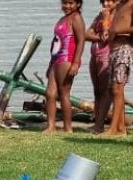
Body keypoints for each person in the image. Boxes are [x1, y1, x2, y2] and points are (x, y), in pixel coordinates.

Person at [105, 0, 133, 135]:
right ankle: (121, 127)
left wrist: (118, 30)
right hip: (114, 50)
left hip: (125, 48)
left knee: (118, 88)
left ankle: (112, 129)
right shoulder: (118, 6)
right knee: (115, 90)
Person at [45, 0, 87, 133]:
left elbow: (81, 41)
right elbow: (55, 42)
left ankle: (68, 127)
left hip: (67, 59)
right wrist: (50, 63)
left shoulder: (76, 18)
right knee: (50, 93)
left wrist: (75, 63)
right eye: (65, 3)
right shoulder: (62, 19)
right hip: (56, 60)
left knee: (64, 94)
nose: (67, 6)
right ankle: (51, 126)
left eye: (71, 3)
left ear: (78, 4)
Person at [87, 0, 117, 132]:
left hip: (107, 56)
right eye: (104, 1)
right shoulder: (99, 16)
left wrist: (105, 21)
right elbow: (87, 34)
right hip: (95, 56)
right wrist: (99, 36)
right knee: (97, 91)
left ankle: (100, 124)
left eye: (110, 1)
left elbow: (107, 36)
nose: (106, 3)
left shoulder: (116, 16)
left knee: (106, 91)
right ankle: (97, 121)